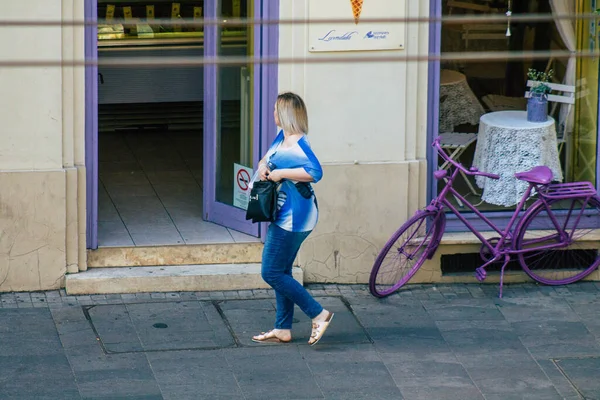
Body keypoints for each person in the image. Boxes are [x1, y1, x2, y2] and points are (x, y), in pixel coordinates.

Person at [251, 92, 334, 346]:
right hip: (284, 213)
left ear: (286, 114)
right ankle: (283, 328)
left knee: (271, 271)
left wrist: (281, 174)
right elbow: (267, 157)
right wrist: (263, 166)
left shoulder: (299, 146)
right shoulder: (283, 138)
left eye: (276, 110)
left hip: (294, 219)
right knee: (282, 270)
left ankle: (319, 314)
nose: (273, 114)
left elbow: (316, 172)